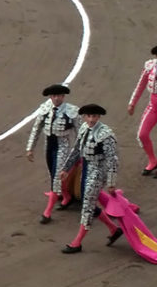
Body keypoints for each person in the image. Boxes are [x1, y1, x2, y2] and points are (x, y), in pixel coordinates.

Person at [58, 104, 123, 254]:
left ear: (99, 117)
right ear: (84, 116)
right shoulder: (83, 128)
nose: (92, 119)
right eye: (89, 116)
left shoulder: (106, 134)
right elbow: (76, 150)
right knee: (88, 202)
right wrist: (66, 169)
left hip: (98, 171)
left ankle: (77, 242)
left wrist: (111, 183)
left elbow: (112, 159)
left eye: (94, 116)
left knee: (87, 205)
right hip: (86, 168)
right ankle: (114, 230)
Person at [26, 84, 80, 223]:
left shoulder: (72, 111)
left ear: (63, 96)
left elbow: (80, 134)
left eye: (59, 96)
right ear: (50, 96)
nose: (56, 98)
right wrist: (30, 148)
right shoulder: (45, 108)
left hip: (63, 145)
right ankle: (66, 196)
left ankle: (47, 212)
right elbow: (36, 128)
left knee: (57, 176)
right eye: (54, 96)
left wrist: (79, 152)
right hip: (49, 145)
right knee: (53, 173)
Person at [128, 45, 157, 176]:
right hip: (154, 105)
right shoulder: (150, 66)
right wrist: (132, 103)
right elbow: (140, 85)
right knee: (142, 134)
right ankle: (153, 161)